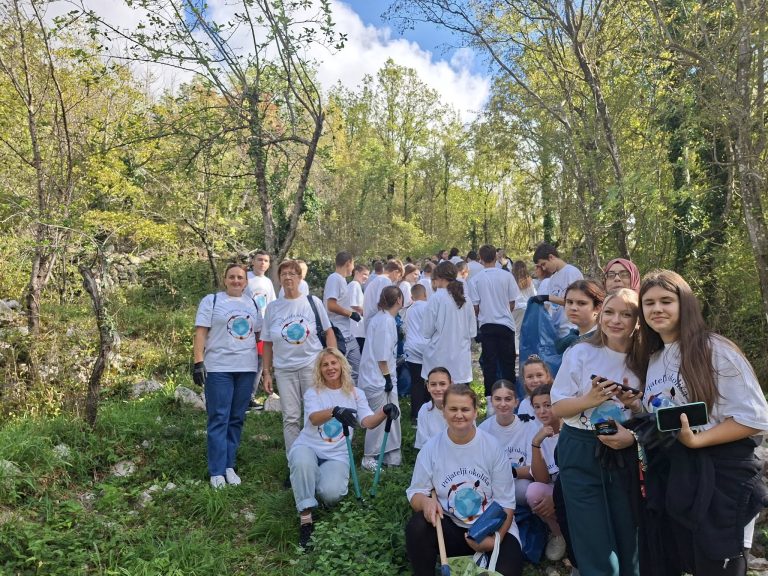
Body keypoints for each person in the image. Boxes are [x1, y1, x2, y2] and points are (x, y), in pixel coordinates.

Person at [627, 270, 768, 575]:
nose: (657, 309)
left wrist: (697, 440)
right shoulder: (654, 359)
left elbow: (755, 418)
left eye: (666, 300)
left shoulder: (715, 350)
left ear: (685, 304)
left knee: (721, 564)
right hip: (680, 475)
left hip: (723, 476)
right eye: (648, 303)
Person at [550, 287, 643, 576]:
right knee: (593, 540)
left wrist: (635, 405)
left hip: (623, 448)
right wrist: (588, 400)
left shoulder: (646, 358)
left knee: (629, 535)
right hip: (580, 448)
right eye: (610, 312)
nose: (615, 320)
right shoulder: (580, 352)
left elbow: (650, 411)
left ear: (637, 321)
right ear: (600, 314)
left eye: (626, 314)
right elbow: (557, 406)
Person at [405, 384, 524, 576]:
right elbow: (415, 493)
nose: (459, 415)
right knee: (417, 526)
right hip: (452, 529)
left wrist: (494, 541)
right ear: (443, 411)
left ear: (476, 412)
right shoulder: (431, 448)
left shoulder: (492, 447)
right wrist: (425, 502)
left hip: (493, 529)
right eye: (453, 409)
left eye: (465, 409)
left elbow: (506, 504)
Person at [288, 348, 399, 549]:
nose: (330, 367)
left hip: (337, 454)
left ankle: (305, 483)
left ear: (342, 365)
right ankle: (306, 519)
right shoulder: (313, 392)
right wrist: (334, 411)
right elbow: (313, 418)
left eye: (334, 363)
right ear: (319, 370)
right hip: (309, 446)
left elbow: (366, 422)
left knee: (331, 495)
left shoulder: (356, 394)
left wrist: (384, 411)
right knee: (302, 461)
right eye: (325, 364)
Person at [193, 263, 262, 488]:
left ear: (246, 281)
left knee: (236, 418)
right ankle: (216, 470)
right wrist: (198, 362)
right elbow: (201, 333)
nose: (236, 281)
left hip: (246, 367)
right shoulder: (212, 301)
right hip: (219, 367)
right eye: (231, 277)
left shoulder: (251, 303)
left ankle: (229, 465)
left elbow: (259, 333)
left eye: (240, 278)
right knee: (219, 417)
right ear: (225, 280)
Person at [262, 260, 337, 456]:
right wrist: (266, 373)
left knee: (314, 414)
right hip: (284, 369)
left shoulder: (313, 303)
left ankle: (318, 456)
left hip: (311, 367)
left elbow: (328, 332)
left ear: (300, 277)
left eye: (292, 273)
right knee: (291, 417)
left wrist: (333, 362)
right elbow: (267, 343)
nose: (288, 277)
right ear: (279, 279)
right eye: (284, 274)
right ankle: (295, 461)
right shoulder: (273, 308)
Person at [358, 286, 403, 470]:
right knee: (379, 420)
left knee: (393, 416)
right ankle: (369, 457)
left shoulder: (383, 318)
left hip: (379, 375)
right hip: (378, 379)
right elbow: (382, 356)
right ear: (399, 300)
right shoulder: (385, 321)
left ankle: (389, 454)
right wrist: (387, 379)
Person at [469, 244, 520, 409]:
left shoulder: (476, 279)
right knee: (508, 363)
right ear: (496, 257)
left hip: (487, 324)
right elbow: (513, 301)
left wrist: (482, 315)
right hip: (506, 324)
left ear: (481, 258)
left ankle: (491, 402)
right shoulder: (506, 276)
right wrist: (504, 311)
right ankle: (511, 398)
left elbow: (475, 306)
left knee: (489, 364)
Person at [479, 380, 538, 504]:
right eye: (498, 399)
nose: (503, 404)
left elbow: (534, 469)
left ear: (516, 402)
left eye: (508, 399)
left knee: (526, 490)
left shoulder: (529, 426)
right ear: (491, 402)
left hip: (520, 481)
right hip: (493, 483)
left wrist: (510, 472)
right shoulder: (483, 429)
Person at [526, 384, 566, 562]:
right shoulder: (536, 432)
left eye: (548, 405)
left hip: (572, 490)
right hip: (554, 489)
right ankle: (559, 534)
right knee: (533, 491)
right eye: (537, 407)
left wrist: (557, 496)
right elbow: (542, 479)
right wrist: (536, 444)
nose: (542, 411)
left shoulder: (570, 429)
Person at [421, 261, 477, 385]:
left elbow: (426, 332)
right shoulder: (466, 299)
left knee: (439, 399)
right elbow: (473, 331)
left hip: (438, 358)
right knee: (460, 400)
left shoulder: (436, 298)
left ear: (440, 278)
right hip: (461, 361)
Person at [323, 251, 362, 381]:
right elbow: (331, 305)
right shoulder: (334, 278)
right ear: (348, 263)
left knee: (356, 371)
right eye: (353, 264)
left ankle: (354, 397)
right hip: (338, 334)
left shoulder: (342, 280)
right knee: (341, 373)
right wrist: (351, 314)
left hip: (348, 334)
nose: (353, 268)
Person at [245, 250, 276, 408]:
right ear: (253, 261)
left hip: (262, 328)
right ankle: (240, 394)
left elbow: (271, 305)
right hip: (245, 328)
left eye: (266, 260)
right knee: (244, 360)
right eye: (259, 260)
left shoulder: (268, 282)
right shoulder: (245, 278)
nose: (263, 263)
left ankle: (250, 395)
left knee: (259, 362)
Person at [531, 243, 583, 338]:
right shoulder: (553, 279)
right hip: (558, 331)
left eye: (543, 264)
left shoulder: (571, 272)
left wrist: (547, 297)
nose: (544, 268)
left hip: (572, 330)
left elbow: (576, 302)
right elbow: (553, 308)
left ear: (551, 257)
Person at [555, 279, 606, 353]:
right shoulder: (572, 337)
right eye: (570, 302)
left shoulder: (601, 342)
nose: (573, 308)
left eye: (582, 303)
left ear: (597, 308)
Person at [404, 283, 429, 422]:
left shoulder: (409, 310)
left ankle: (415, 415)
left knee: (416, 382)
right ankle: (429, 409)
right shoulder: (429, 307)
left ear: (412, 296)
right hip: (427, 348)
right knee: (431, 379)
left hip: (412, 348)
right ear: (425, 294)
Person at [414, 366, 451, 449]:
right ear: (428, 387)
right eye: (433, 384)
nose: (438, 389)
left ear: (451, 384)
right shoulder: (424, 409)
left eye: (442, 384)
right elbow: (423, 442)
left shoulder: (461, 408)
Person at [517, 355, 554, 422]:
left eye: (539, 375)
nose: (535, 380)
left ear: (548, 376)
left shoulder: (558, 399)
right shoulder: (525, 405)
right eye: (530, 376)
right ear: (524, 381)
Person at [511, 261, 536, 351]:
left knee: (515, 330)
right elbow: (533, 295)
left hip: (514, 307)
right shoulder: (528, 279)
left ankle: (516, 349)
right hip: (526, 307)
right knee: (523, 330)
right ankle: (521, 349)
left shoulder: (511, 279)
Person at [348, 264, 369, 352]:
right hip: (356, 329)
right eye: (364, 274)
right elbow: (353, 304)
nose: (366, 277)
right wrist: (367, 314)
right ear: (356, 272)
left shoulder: (355, 285)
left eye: (368, 275)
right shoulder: (354, 285)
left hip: (357, 328)